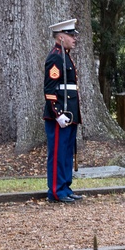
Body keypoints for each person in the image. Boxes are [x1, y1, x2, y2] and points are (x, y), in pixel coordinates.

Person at [43, 19, 83, 203]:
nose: (74, 38)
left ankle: (65, 188)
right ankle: (56, 191)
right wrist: (58, 114)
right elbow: (50, 91)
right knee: (58, 153)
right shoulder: (55, 57)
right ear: (61, 37)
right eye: (71, 35)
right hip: (60, 115)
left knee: (67, 152)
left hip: (70, 113)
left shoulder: (65, 55)